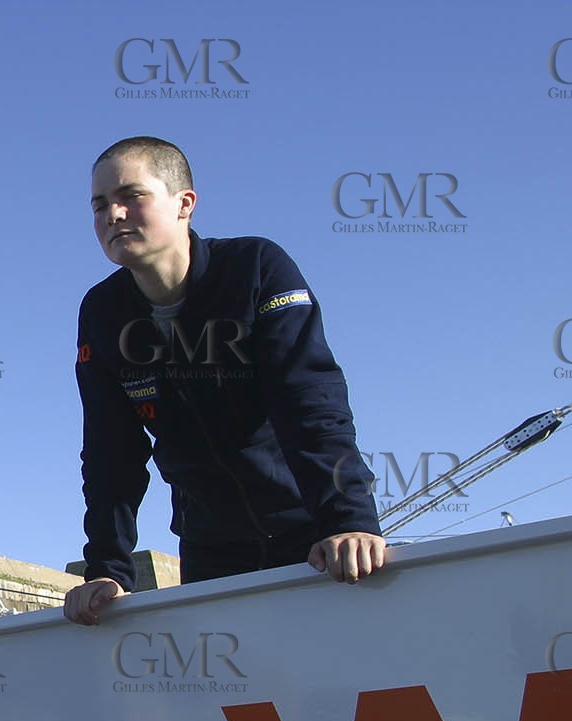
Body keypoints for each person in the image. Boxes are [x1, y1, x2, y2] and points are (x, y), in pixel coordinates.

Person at [65, 136, 386, 626]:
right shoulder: (102, 311)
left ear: (184, 204)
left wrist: (348, 522)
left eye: (131, 196)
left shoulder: (256, 268)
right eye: (100, 205)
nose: (113, 214)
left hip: (310, 533)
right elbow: (111, 451)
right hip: (212, 549)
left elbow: (308, 399)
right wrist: (109, 569)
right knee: (239, 691)